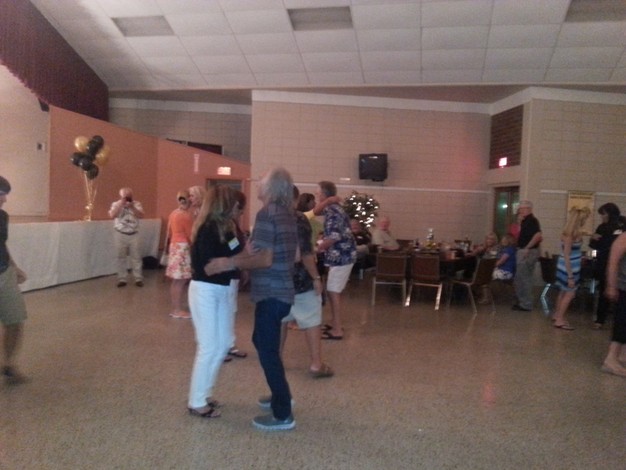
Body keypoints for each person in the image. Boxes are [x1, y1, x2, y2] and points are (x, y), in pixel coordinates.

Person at [204, 167, 298, 431]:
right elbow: (280, 253)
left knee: (267, 350)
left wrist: (227, 263)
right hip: (282, 290)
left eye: (262, 180)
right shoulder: (287, 214)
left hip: (272, 292)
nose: (258, 183)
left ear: (271, 188)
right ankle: (281, 394)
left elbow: (265, 259)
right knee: (263, 343)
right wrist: (245, 254)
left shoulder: (267, 214)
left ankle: (283, 413)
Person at [186, 185, 244, 418]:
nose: (238, 206)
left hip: (221, 289)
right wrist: (235, 260)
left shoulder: (226, 227)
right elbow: (209, 267)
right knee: (209, 345)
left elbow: (238, 251)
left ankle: (205, 393)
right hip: (205, 291)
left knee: (222, 344)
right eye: (234, 202)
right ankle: (196, 401)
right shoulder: (208, 228)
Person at [280, 186, 333, 378]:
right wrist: (316, 277)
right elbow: (303, 253)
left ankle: (277, 360)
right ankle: (316, 365)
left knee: (281, 319)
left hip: (278, 279)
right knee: (311, 320)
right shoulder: (298, 219)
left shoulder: (269, 217)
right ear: (295, 200)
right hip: (300, 278)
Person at [316, 181, 357, 340]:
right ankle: (334, 323)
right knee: (333, 290)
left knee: (333, 291)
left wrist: (318, 247)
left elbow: (333, 237)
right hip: (342, 254)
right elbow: (315, 212)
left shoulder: (332, 211)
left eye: (318, 192)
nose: (317, 195)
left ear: (324, 194)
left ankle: (337, 330)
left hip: (342, 256)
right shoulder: (334, 208)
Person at [0, 176, 29, 385]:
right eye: (1, 195)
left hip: (4, 272)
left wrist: (14, 266)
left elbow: (1, 244)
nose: (4, 199)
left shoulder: (3, 216)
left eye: (5, 195)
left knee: (15, 320)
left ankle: (9, 365)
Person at [552, 207, 590, 330]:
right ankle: (559, 320)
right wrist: (570, 276)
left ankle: (557, 314)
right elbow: (567, 255)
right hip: (568, 268)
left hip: (567, 265)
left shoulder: (570, 233)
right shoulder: (570, 236)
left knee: (563, 292)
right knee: (570, 293)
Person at [589, 203, 626, 329]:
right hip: (605, 262)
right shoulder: (602, 227)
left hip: (618, 263)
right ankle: (601, 319)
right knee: (605, 291)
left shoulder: (621, 224)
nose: (602, 217)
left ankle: (614, 318)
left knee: (619, 292)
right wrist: (593, 240)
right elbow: (594, 246)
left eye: (603, 214)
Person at [225, 189, 248, 360]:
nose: (242, 213)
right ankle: (222, 346)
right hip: (226, 274)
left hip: (233, 272)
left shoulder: (232, 223)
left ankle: (229, 344)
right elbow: (232, 246)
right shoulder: (227, 224)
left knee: (230, 310)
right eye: (240, 209)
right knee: (225, 310)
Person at [165, 190, 193, 319]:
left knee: (177, 280)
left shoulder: (173, 213)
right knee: (181, 280)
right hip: (182, 247)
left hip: (174, 246)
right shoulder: (186, 216)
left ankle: (176, 308)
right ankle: (177, 309)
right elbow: (190, 234)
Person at [108, 187, 144, 287]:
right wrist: (121, 205)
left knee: (136, 257)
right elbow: (112, 215)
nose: (127, 198)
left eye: (129, 196)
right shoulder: (116, 204)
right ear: (121, 196)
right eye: (125, 196)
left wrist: (132, 207)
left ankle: (138, 278)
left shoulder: (137, 204)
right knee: (120, 257)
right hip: (120, 234)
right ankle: (122, 279)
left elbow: (141, 215)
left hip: (134, 234)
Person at [601, 232, 626, 377]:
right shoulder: (624, 237)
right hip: (624, 287)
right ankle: (610, 359)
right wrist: (611, 285)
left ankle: (622, 356)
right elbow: (613, 261)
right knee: (622, 323)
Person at [512, 200, 542, 311]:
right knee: (520, 278)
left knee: (524, 278)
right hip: (524, 250)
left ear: (528, 209)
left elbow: (538, 235)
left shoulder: (532, 220)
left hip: (527, 252)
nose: (520, 211)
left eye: (522, 209)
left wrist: (527, 248)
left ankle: (526, 303)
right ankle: (523, 301)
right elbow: (522, 235)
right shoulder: (525, 221)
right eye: (520, 209)